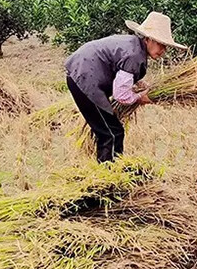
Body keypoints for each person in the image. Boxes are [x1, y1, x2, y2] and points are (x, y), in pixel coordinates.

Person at [65, 11, 186, 163]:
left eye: (165, 46)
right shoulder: (135, 55)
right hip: (84, 79)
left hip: (81, 73)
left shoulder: (133, 46)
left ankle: (106, 171)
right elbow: (121, 95)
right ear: (148, 39)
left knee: (108, 129)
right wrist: (139, 97)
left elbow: (120, 72)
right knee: (112, 132)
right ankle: (109, 175)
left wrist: (139, 85)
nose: (163, 50)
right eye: (160, 44)